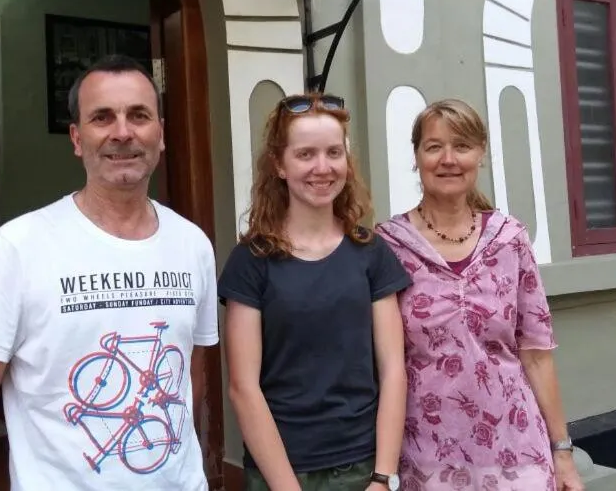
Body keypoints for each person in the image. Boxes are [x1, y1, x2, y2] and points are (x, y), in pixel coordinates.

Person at [0, 54, 219, 491]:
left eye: (139, 115)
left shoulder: (193, 245)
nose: (123, 132)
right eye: (102, 117)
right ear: (76, 137)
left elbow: (191, 377)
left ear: (160, 134)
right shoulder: (16, 248)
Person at [375, 99, 583, 491]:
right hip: (427, 455)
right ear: (417, 156)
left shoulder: (509, 239)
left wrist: (563, 452)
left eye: (462, 146)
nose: (448, 159)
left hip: (516, 446)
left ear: (481, 154)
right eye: (434, 146)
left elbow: (536, 354)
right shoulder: (388, 246)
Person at [219, 92, 411, 491]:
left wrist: (383, 476)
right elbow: (243, 387)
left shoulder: (371, 253)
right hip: (283, 470)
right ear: (280, 165)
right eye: (305, 154)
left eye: (333, 153)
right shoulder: (251, 261)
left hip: (363, 466)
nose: (322, 168)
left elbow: (394, 369)